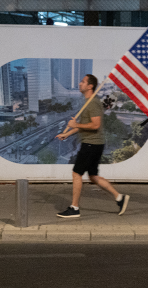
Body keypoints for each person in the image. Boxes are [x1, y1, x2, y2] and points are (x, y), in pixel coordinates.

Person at [55, 74, 129, 218]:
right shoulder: (88, 102)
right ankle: (120, 198)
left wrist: (75, 124)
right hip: (93, 143)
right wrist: (67, 134)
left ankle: (74, 208)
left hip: (91, 144)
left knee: (77, 173)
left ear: (90, 86)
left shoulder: (93, 103)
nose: (79, 83)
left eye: (83, 81)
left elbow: (95, 125)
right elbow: (83, 126)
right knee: (93, 176)